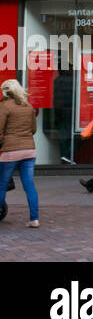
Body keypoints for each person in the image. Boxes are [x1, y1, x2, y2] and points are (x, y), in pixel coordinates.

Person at [0, 79, 39, 226]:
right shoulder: (28, 106)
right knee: (29, 185)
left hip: (10, 151)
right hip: (29, 151)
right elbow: (33, 129)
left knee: (2, 185)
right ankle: (34, 219)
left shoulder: (4, 106)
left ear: (5, 91)